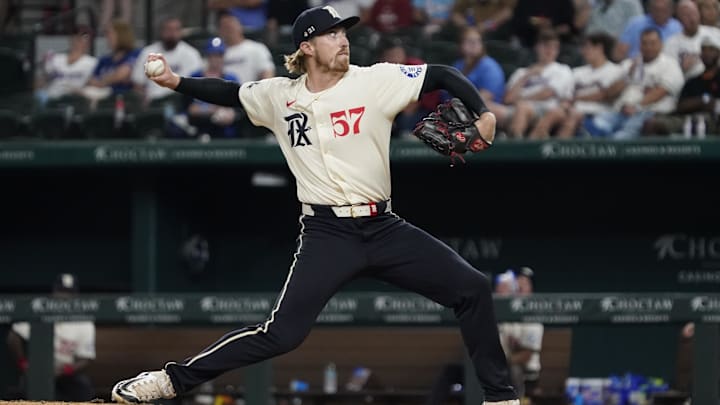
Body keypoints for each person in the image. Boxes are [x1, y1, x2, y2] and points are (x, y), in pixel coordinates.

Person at [111, 6, 517, 405]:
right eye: (332, 34)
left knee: (473, 288)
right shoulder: (278, 95)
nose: (344, 41)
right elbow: (229, 93)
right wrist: (175, 80)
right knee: (281, 334)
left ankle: (500, 399)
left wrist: (483, 115)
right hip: (328, 234)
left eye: (344, 33)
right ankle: (169, 381)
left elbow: (442, 75)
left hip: (384, 226)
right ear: (307, 46)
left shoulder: (374, 80)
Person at [6, 274, 96, 402]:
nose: (64, 297)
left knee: (83, 389)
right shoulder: (39, 310)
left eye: (69, 293)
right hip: (37, 371)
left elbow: (86, 359)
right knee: (24, 390)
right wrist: (23, 364)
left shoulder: (84, 322)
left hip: (65, 373)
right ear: (54, 292)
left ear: (75, 296)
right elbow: (13, 336)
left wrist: (64, 371)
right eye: (61, 292)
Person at [587, 27, 684, 139]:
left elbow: (661, 92)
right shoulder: (629, 64)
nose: (648, 47)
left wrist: (636, 106)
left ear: (661, 44)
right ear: (639, 45)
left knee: (619, 138)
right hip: (619, 112)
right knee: (594, 126)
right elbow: (609, 93)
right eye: (644, 43)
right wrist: (628, 76)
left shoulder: (670, 64)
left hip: (650, 113)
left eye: (653, 43)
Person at [529, 32, 624, 138]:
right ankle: (532, 146)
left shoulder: (615, 70)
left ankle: (560, 151)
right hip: (570, 110)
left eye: (587, 47)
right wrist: (568, 102)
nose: (583, 52)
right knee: (553, 113)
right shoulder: (577, 72)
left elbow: (604, 95)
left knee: (573, 116)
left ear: (599, 48)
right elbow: (565, 97)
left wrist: (574, 99)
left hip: (596, 115)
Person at [643, 34, 720, 136]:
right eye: (704, 50)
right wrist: (703, 101)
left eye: (711, 50)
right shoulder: (693, 81)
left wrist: (706, 103)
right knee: (651, 122)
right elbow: (681, 106)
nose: (707, 53)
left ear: (718, 53)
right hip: (687, 119)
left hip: (712, 121)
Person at [503, 29, 574, 138]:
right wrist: (526, 76)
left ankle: (519, 146)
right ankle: (515, 144)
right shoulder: (521, 72)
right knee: (517, 108)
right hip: (521, 109)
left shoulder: (562, 70)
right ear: (537, 47)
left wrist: (521, 99)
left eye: (554, 47)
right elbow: (508, 99)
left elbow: (547, 94)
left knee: (522, 107)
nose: (550, 50)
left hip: (549, 108)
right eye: (546, 46)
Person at [132, 17, 203, 105]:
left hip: (179, 103)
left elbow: (197, 85)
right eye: (169, 29)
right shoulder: (148, 52)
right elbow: (138, 83)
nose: (172, 34)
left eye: (176, 29)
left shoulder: (191, 54)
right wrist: (142, 101)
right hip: (153, 102)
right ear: (161, 31)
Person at [496, 270, 543, 401]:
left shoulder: (533, 315)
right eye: (518, 285)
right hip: (505, 368)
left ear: (531, 289)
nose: (520, 288)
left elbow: (525, 355)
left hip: (527, 374)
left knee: (514, 369)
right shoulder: (508, 313)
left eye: (525, 285)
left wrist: (500, 363)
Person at [186, 38, 241, 138]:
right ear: (208, 56)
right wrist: (213, 110)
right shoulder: (195, 77)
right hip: (199, 126)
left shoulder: (231, 78)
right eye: (213, 55)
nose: (216, 59)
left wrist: (229, 113)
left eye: (219, 55)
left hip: (225, 129)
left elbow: (236, 110)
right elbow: (190, 109)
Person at [663, 0, 720, 80]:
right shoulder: (670, 44)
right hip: (689, 86)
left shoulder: (715, 33)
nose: (692, 18)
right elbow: (667, 74)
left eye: (693, 13)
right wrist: (681, 69)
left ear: (699, 14)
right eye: (686, 15)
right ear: (679, 20)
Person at [38, 26, 97, 102]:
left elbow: (95, 86)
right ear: (70, 39)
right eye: (75, 36)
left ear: (89, 43)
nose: (77, 41)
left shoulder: (93, 63)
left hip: (77, 100)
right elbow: (41, 82)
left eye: (83, 37)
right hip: (52, 99)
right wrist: (43, 70)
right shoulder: (56, 58)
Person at [217, 10, 275, 83]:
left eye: (231, 26)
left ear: (240, 26)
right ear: (219, 31)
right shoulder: (216, 51)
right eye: (225, 27)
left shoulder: (256, 48)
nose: (229, 30)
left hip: (248, 91)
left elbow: (267, 74)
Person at [614, 0, 682, 61]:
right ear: (650, 9)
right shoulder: (635, 23)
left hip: (666, 67)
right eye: (656, 9)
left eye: (663, 10)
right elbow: (619, 53)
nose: (659, 13)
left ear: (671, 10)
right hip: (635, 65)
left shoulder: (678, 27)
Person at [87, 20, 139, 96]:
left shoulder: (135, 53)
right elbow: (91, 80)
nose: (107, 38)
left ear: (121, 35)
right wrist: (110, 80)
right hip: (104, 99)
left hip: (126, 98)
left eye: (109, 34)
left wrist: (100, 83)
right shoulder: (104, 60)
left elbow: (121, 74)